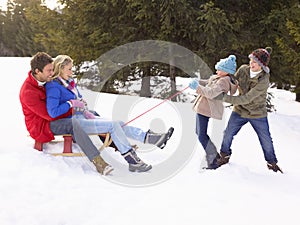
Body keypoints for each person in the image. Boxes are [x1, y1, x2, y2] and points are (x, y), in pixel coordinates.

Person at [45, 55, 174, 173]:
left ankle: (150, 138)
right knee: (112, 125)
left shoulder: (68, 84)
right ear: (60, 68)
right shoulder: (53, 86)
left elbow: (75, 102)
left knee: (118, 123)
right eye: (69, 69)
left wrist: (80, 103)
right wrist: (71, 103)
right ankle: (132, 160)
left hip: (82, 116)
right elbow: (53, 112)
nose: (71, 72)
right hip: (74, 122)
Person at [19, 52, 113, 176]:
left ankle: (113, 144)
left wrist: (78, 105)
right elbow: (50, 115)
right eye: (49, 70)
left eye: (52, 69)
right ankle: (98, 161)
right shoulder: (28, 92)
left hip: (52, 118)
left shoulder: (44, 81)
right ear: (37, 71)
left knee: (91, 113)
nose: (52, 73)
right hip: (42, 125)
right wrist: (72, 106)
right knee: (73, 123)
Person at [214, 47, 283, 173]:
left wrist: (223, 97)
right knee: (228, 133)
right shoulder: (243, 69)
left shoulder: (263, 80)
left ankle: (272, 163)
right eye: (251, 60)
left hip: (257, 113)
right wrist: (216, 83)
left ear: (262, 65)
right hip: (239, 111)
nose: (251, 64)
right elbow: (231, 81)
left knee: (266, 139)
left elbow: (246, 98)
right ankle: (224, 156)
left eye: (255, 62)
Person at [189, 55, 238, 169]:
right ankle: (214, 156)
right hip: (203, 108)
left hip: (207, 109)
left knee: (201, 135)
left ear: (226, 71)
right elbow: (208, 82)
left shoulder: (224, 82)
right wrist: (198, 81)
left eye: (219, 69)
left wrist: (197, 87)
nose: (216, 70)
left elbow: (211, 93)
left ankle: (214, 160)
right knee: (199, 132)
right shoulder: (218, 78)